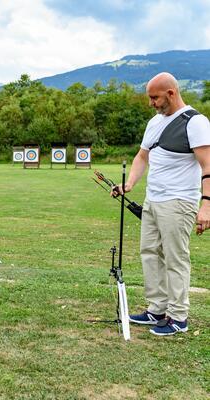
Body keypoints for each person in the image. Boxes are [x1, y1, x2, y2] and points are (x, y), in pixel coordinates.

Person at [117, 72, 210, 336]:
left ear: (171, 93)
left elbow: (208, 166)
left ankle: (178, 316)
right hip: (153, 201)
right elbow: (142, 156)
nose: (151, 103)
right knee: (149, 253)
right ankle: (156, 308)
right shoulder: (154, 123)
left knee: (175, 258)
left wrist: (206, 206)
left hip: (179, 202)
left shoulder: (196, 122)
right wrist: (130, 184)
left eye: (154, 97)